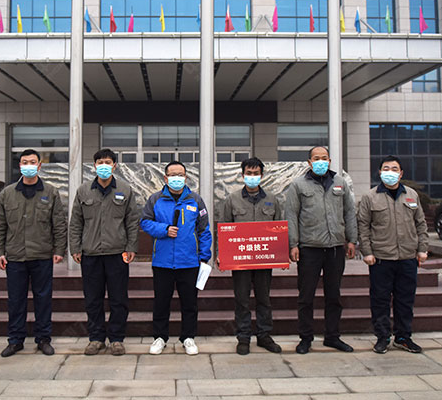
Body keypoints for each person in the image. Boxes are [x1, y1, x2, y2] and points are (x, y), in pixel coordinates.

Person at [0, 149, 67, 357]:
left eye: (32, 162)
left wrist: (59, 249)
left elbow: (59, 224)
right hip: (15, 256)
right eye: (24, 162)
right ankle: (15, 340)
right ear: (20, 166)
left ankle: (43, 339)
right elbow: (0, 226)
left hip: (42, 255)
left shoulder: (50, 192)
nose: (28, 166)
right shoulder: (7, 194)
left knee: (43, 299)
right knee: (16, 300)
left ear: (39, 166)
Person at [285, 146, 357, 354]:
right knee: (306, 296)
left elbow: (349, 212)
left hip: (335, 248)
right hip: (309, 248)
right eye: (316, 158)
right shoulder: (298, 185)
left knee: (333, 295)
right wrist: (293, 244)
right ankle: (305, 338)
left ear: (330, 161)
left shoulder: (340, 183)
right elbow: (291, 215)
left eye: (324, 158)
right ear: (309, 162)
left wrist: (352, 240)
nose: (320, 162)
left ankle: (332, 337)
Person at [69, 148, 139, 356]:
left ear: (114, 166)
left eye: (108, 162)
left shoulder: (125, 190)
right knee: (93, 299)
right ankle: (96, 338)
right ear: (94, 166)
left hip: (117, 254)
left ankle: (116, 339)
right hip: (90, 254)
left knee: (119, 299)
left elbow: (132, 221)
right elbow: (76, 222)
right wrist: (75, 247)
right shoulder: (83, 191)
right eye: (100, 163)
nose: (104, 166)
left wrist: (131, 247)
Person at [357, 155, 429, 354]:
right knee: (380, 300)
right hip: (381, 258)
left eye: (394, 169)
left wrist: (422, 248)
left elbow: (421, 224)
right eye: (386, 169)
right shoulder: (370, 197)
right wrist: (367, 252)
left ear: (401, 173)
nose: (390, 172)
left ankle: (403, 337)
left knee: (405, 300)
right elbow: (363, 226)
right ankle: (382, 337)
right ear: (380, 172)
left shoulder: (412, 195)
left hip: (407, 257)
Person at [141, 161, 213, 356]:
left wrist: (204, 255)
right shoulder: (155, 199)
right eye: (173, 175)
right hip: (162, 261)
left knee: (189, 303)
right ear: (165, 178)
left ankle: (188, 338)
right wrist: (164, 229)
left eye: (180, 175)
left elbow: (204, 230)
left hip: (189, 261)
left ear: (186, 177)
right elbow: (145, 222)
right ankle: (160, 338)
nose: (177, 178)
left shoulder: (195, 200)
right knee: (161, 302)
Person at [220, 157, 283, 355]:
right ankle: (244, 337)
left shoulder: (272, 199)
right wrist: (222, 254)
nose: (252, 176)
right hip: (241, 261)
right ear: (242, 175)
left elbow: (279, 228)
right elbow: (224, 228)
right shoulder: (232, 200)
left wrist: (282, 254)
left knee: (264, 299)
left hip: (264, 260)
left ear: (261, 175)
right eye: (249, 173)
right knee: (242, 300)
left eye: (256, 173)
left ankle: (264, 335)